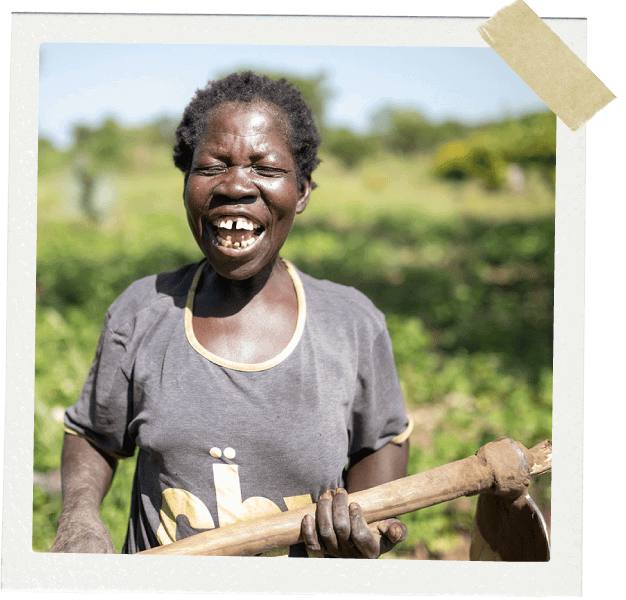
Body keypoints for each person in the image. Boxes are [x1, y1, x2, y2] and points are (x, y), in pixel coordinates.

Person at [50, 71, 412, 558]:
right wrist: (79, 518)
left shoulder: (351, 324)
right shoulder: (141, 313)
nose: (236, 186)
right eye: (212, 167)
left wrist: (366, 517)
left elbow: (381, 441)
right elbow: (94, 435)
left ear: (302, 191)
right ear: (185, 185)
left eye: (265, 167)